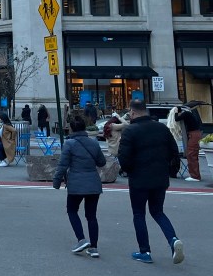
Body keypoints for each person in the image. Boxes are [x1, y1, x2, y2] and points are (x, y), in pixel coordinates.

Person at [118, 99, 184, 265]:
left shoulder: (130, 131)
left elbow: (124, 158)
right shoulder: (161, 128)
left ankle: (145, 251)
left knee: (139, 214)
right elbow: (174, 152)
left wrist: (129, 169)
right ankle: (173, 239)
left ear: (133, 112)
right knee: (158, 212)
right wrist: (166, 167)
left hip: (139, 179)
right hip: (160, 178)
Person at [52, 116, 106, 257]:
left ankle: (81, 239)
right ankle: (94, 247)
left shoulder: (69, 144)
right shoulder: (93, 143)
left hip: (76, 183)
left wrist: (56, 182)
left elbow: (62, 165)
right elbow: (101, 162)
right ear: (84, 127)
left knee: (72, 210)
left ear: (71, 128)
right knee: (91, 216)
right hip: (93, 183)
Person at [175, 104, 203, 183]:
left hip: (193, 134)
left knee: (191, 154)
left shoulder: (186, 114)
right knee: (192, 154)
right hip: (195, 134)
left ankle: (195, 176)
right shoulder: (189, 114)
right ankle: (195, 175)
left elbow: (176, 119)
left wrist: (176, 112)